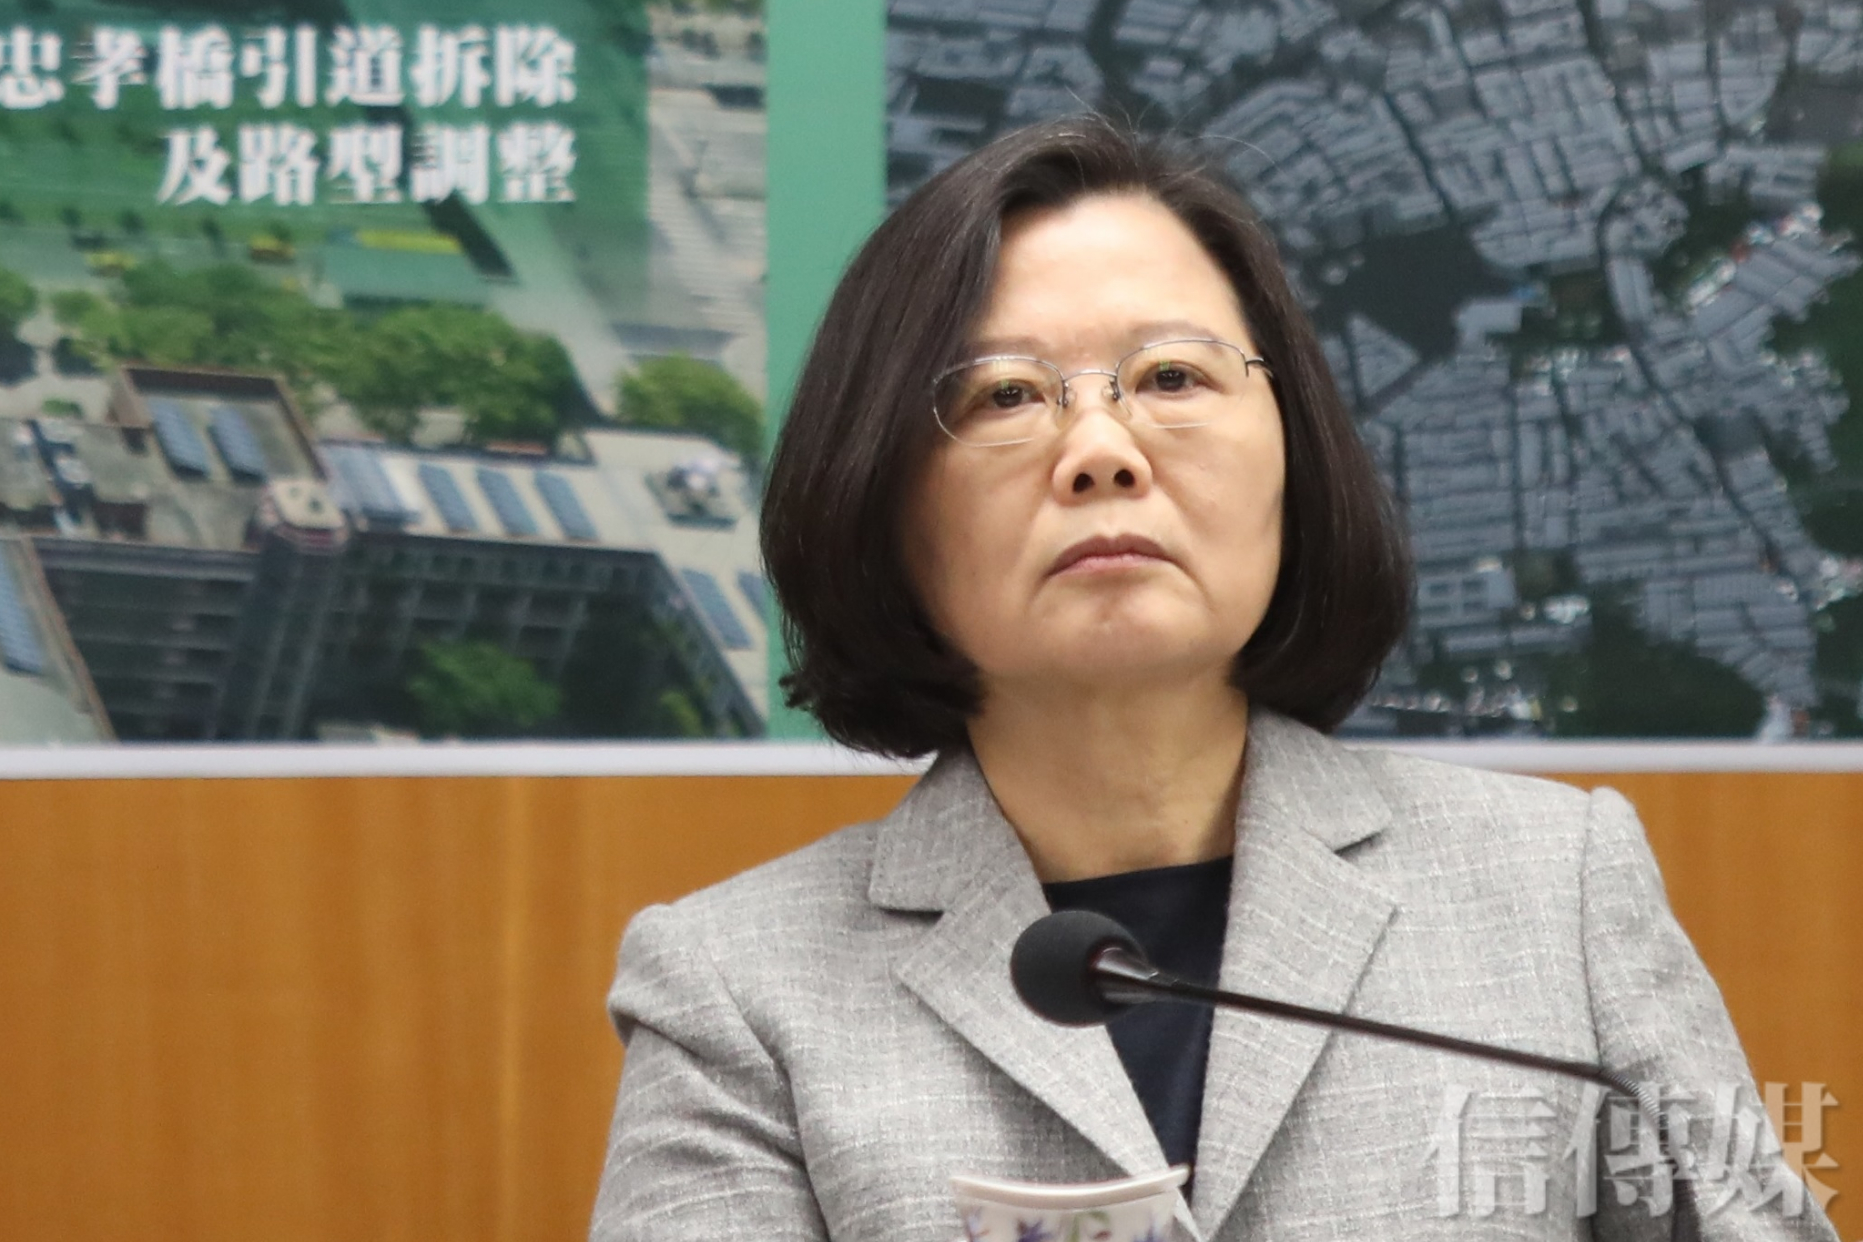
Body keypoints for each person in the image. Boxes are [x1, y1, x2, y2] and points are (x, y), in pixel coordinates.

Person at [590, 117, 1835, 1242]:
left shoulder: (1553, 889)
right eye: (1007, 395)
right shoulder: (739, 991)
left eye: (1173, 378)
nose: (1101, 452)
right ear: (881, 501)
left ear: (1294, 453)